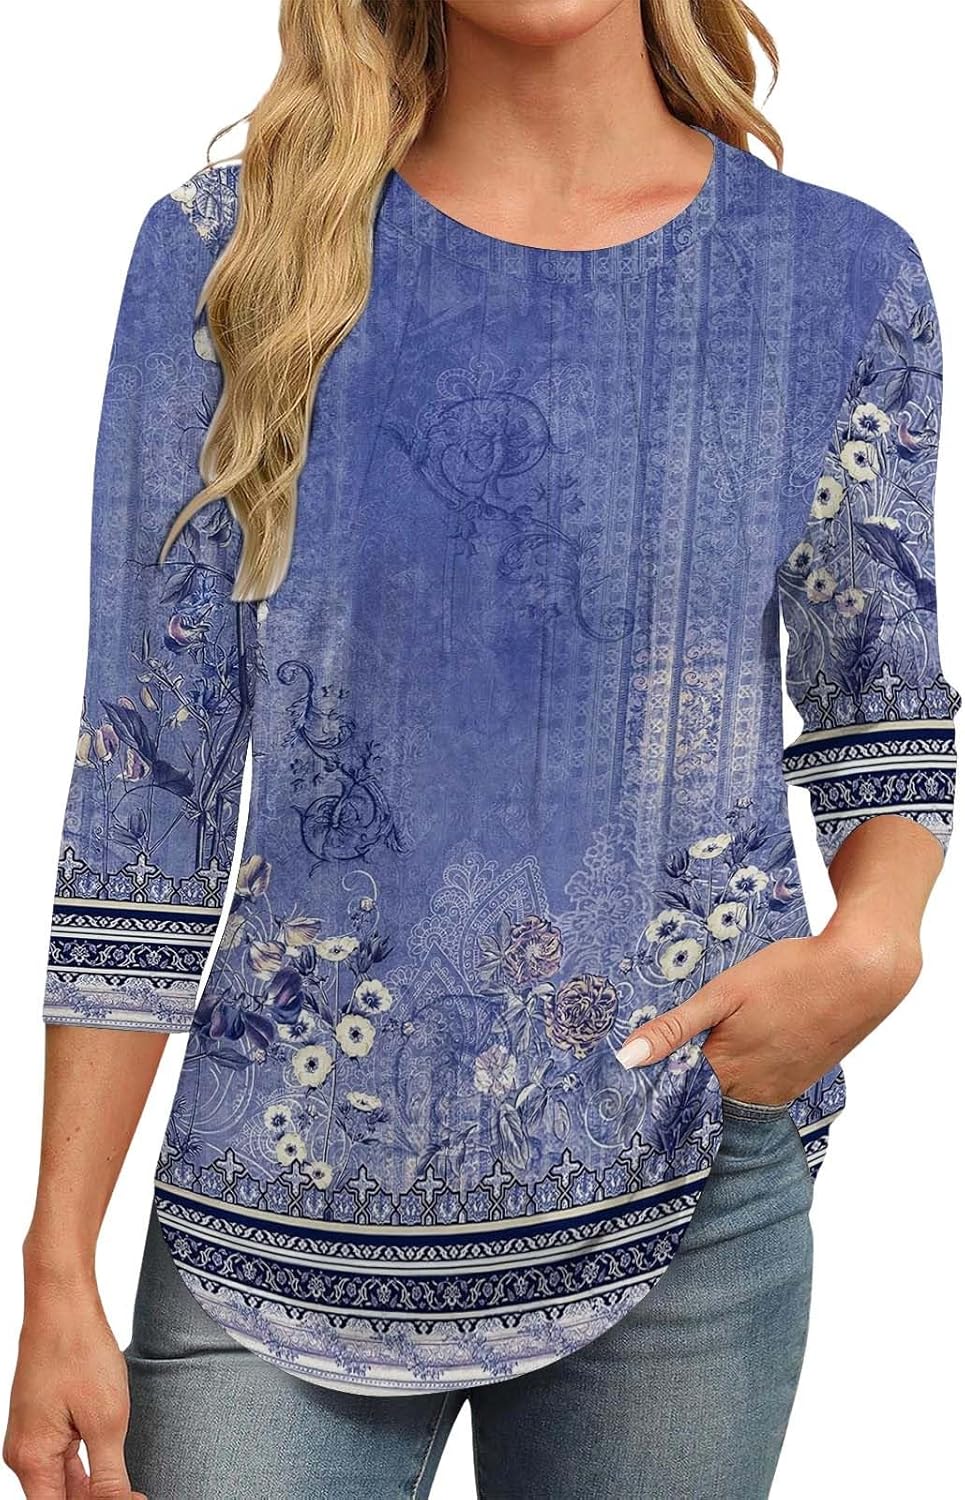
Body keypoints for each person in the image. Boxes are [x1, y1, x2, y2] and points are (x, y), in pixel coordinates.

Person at [4, 2, 958, 1497]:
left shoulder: (836, 275)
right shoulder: (232, 255)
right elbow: (146, 779)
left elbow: (880, 694)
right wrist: (57, 1259)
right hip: (274, 1211)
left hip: (686, 1186)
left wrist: (875, 947)